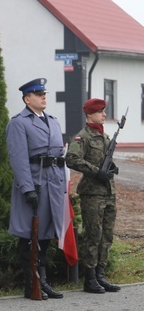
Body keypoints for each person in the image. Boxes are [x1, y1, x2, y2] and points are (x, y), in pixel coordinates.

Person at [6, 78, 66, 300]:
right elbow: (18, 158)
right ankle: (32, 283)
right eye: (38, 94)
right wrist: (27, 188)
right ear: (27, 98)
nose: (43, 97)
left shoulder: (53, 121)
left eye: (44, 93)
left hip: (53, 185)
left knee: (46, 235)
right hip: (34, 184)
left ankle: (44, 281)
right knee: (30, 235)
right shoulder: (18, 123)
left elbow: (58, 155)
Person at [66, 98, 121, 294]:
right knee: (94, 236)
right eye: (100, 112)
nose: (104, 115)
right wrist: (96, 171)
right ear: (90, 114)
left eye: (105, 111)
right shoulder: (83, 137)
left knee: (106, 236)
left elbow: (105, 161)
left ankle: (100, 275)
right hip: (92, 194)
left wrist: (111, 168)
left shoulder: (104, 137)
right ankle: (89, 279)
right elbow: (71, 159)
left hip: (108, 192)